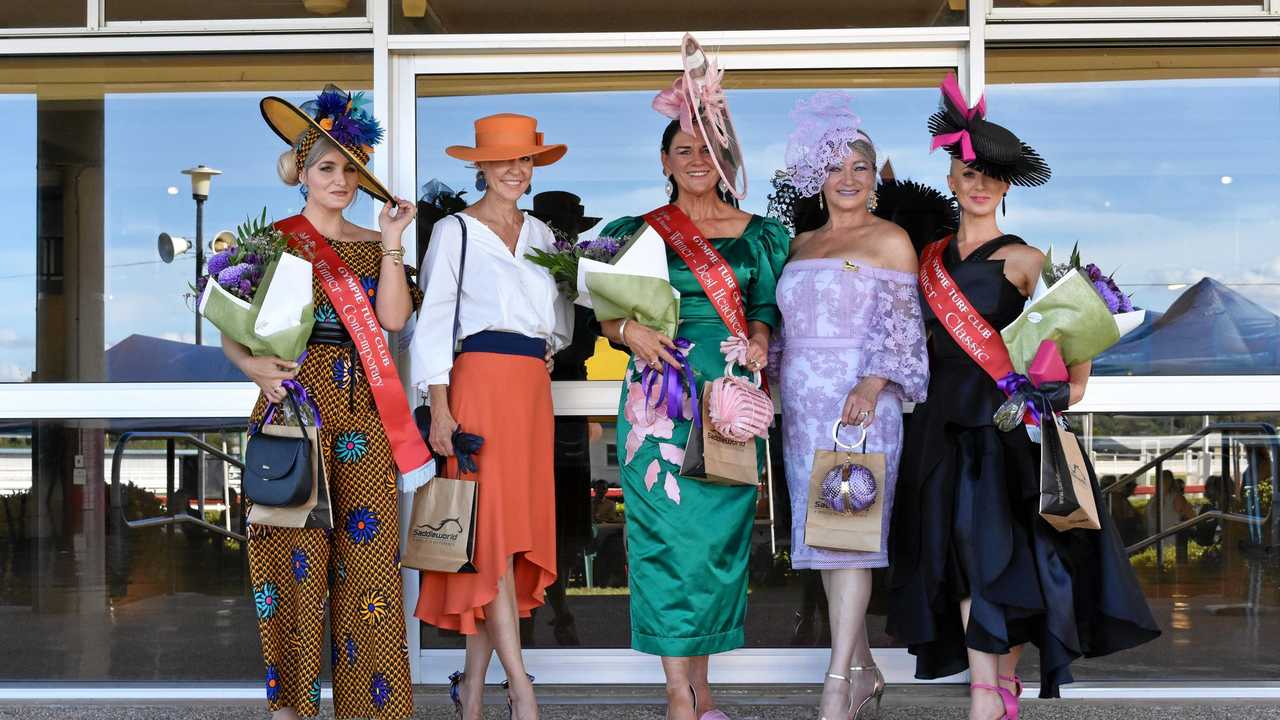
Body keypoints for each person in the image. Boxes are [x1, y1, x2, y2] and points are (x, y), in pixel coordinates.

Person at [886, 74, 1160, 718]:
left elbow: (1077, 324)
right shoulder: (926, 257)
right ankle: (997, 690)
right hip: (938, 426)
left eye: (991, 176)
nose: (978, 184)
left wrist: (1074, 382)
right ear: (951, 179)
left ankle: (991, 695)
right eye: (967, 171)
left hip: (1002, 428)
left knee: (995, 561)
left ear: (1006, 187)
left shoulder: (1027, 259)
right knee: (954, 559)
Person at [594, 46, 789, 720]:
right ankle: (680, 694)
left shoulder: (763, 236)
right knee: (664, 540)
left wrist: (759, 340)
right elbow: (604, 312)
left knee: (714, 548)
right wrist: (628, 334)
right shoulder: (635, 232)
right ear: (665, 159)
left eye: (708, 147)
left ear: (724, 157)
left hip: (729, 400)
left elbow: (764, 311)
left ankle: (703, 691)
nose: (696, 158)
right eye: (684, 147)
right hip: (660, 396)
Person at [231, 85, 423, 719]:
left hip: (363, 412)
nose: (340, 180)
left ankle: (373, 709)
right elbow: (231, 326)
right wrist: (251, 365)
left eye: (350, 168)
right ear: (302, 174)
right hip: (291, 406)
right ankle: (291, 705)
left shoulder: (374, 242)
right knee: (291, 559)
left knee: (368, 567)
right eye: (326, 168)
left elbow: (392, 320)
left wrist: (393, 237)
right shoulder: (274, 242)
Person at [771, 91, 929, 720]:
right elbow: (783, 327)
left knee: (851, 540)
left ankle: (837, 681)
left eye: (860, 167)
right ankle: (864, 668)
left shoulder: (890, 240)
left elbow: (902, 328)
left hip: (858, 407)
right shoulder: (800, 242)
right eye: (835, 166)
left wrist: (872, 383)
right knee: (826, 544)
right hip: (803, 409)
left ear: (873, 178)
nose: (848, 178)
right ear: (818, 176)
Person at [410, 112, 573, 720]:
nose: (514, 170)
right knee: (492, 541)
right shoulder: (453, 230)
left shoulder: (545, 235)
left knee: (497, 545)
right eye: (503, 160)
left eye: (525, 160)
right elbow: (434, 323)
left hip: (530, 390)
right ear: (480, 166)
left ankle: (472, 696)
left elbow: (559, 320)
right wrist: (440, 407)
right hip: (477, 385)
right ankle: (522, 691)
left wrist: (548, 348)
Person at [1146, 469, 1195, 536]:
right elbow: (1193, 519)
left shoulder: (1151, 500)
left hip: (1153, 541)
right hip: (1170, 541)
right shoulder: (1177, 498)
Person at [1106, 476, 1145, 548]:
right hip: (1122, 537)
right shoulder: (1116, 499)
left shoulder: (1121, 499)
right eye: (1132, 487)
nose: (1133, 490)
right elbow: (1121, 518)